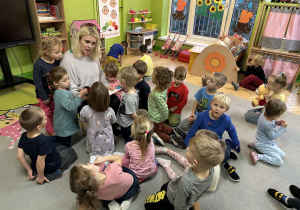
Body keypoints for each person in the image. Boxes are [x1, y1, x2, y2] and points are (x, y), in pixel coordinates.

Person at [144, 129, 225, 210]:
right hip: (181, 191)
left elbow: (178, 206)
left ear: (195, 163)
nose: (187, 148)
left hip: (170, 198)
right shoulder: (211, 171)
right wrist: (192, 201)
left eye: (189, 150)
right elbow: (202, 191)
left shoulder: (185, 182)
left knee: (148, 204)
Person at [184, 94, 241, 182]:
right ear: (211, 103)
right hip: (203, 141)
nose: (217, 109)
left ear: (226, 109)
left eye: (221, 107)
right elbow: (192, 131)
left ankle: (228, 149)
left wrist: (236, 142)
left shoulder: (227, 120)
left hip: (216, 141)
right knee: (203, 158)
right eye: (215, 105)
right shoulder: (201, 116)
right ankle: (227, 154)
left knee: (220, 157)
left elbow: (232, 131)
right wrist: (188, 144)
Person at [17, 106, 77, 185]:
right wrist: (41, 176)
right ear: (38, 127)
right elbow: (40, 162)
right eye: (45, 118)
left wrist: (29, 170)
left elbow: (20, 156)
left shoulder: (24, 136)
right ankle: (55, 173)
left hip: (37, 163)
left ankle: (35, 171)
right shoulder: (44, 141)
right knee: (71, 151)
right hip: (51, 166)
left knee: (61, 147)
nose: (46, 117)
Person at [59, 26, 108, 111]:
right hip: (80, 98)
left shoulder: (94, 56)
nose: (90, 46)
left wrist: (106, 86)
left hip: (97, 94)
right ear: (79, 40)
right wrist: (84, 96)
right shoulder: (68, 59)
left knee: (116, 100)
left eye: (93, 43)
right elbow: (70, 88)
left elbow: (101, 75)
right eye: (87, 42)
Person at [70, 155, 140, 210]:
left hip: (111, 196)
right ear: (93, 173)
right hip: (130, 188)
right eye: (87, 165)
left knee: (104, 199)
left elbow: (81, 205)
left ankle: (111, 203)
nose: (89, 163)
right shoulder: (113, 171)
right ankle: (127, 199)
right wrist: (103, 158)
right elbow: (118, 159)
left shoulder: (90, 191)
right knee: (126, 170)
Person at [148, 66, 186, 149]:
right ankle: (172, 131)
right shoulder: (164, 88)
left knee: (156, 132)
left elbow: (164, 109)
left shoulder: (157, 95)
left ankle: (170, 139)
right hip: (158, 117)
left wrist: (164, 118)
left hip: (156, 117)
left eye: (153, 76)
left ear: (158, 81)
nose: (152, 77)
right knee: (160, 127)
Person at [49, 66, 88, 147]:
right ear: (56, 83)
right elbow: (70, 106)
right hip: (64, 124)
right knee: (64, 145)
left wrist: (79, 94)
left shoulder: (61, 91)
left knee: (61, 139)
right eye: (64, 80)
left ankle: (49, 142)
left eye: (68, 79)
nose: (68, 82)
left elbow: (69, 100)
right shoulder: (61, 94)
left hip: (62, 122)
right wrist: (80, 96)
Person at [80, 82, 117, 164]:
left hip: (93, 138)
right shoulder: (110, 110)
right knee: (108, 154)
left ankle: (94, 158)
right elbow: (114, 121)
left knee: (93, 153)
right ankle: (107, 157)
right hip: (107, 137)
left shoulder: (86, 109)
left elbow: (82, 119)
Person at [33, 36, 63, 136]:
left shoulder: (57, 61)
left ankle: (56, 126)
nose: (60, 54)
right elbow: (37, 82)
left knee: (55, 110)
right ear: (47, 52)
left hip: (54, 93)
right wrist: (44, 96)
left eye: (60, 51)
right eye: (57, 52)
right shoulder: (39, 64)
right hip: (44, 95)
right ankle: (50, 131)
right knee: (46, 112)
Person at [248, 99, 287, 166]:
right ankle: (257, 156)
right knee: (279, 162)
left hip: (260, 140)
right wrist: (282, 128)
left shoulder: (265, 113)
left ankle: (256, 145)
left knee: (282, 154)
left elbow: (270, 122)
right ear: (275, 116)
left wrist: (276, 122)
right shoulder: (269, 125)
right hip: (264, 144)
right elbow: (273, 137)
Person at [121, 115, 157, 183]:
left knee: (121, 158)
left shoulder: (129, 145)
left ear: (133, 131)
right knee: (154, 159)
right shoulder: (151, 140)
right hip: (152, 171)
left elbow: (126, 156)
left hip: (136, 175)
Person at [117, 66, 139, 142]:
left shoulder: (128, 98)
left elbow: (133, 115)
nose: (118, 83)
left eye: (119, 81)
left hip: (126, 124)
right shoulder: (133, 90)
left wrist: (138, 122)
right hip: (127, 122)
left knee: (128, 138)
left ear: (124, 83)